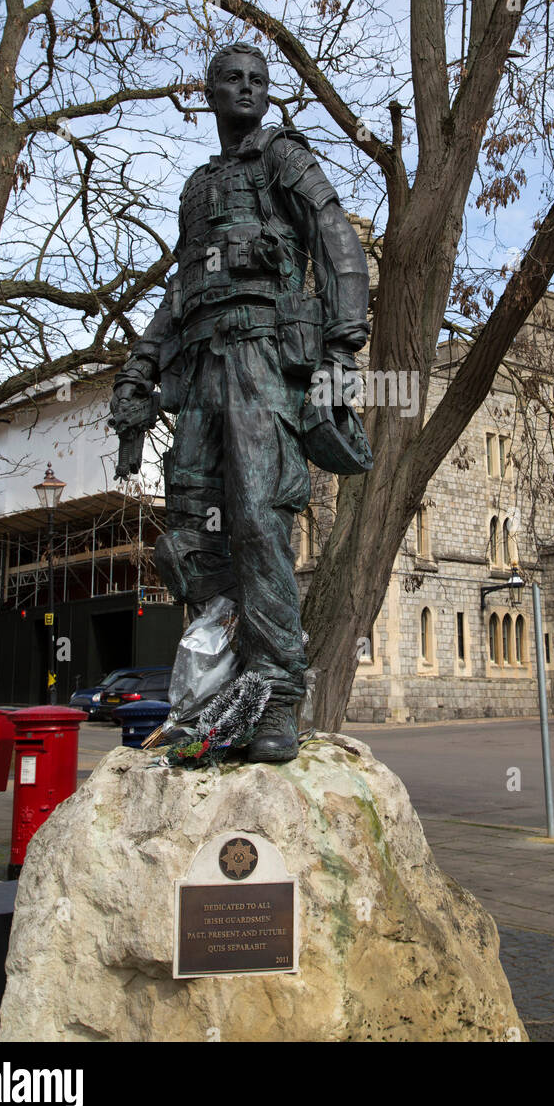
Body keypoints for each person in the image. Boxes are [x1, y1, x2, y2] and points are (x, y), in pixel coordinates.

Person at [109, 41, 370, 761]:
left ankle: (277, 696)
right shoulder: (197, 187)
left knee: (258, 519)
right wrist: (139, 365)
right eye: (234, 79)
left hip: (260, 359)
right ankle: (218, 687)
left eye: (260, 79)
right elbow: (179, 290)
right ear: (210, 92)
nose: (249, 88)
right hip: (196, 372)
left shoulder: (284, 156)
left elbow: (336, 239)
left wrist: (344, 346)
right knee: (190, 536)